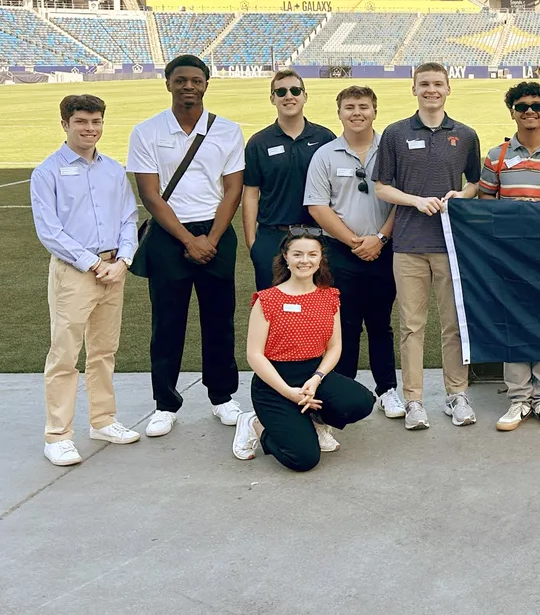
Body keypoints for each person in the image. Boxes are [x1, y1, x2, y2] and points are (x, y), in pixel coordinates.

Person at [127, 55, 246, 438]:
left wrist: (210, 238)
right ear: (168, 84)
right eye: (180, 80)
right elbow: (150, 194)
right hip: (169, 234)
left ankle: (223, 397)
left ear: (207, 84)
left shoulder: (227, 130)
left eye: (196, 80)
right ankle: (165, 403)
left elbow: (233, 190)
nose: (188, 87)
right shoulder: (146, 131)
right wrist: (187, 239)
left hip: (215, 233)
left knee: (219, 320)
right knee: (167, 322)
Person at [31, 95, 140, 466]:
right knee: (65, 354)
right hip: (75, 272)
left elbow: (128, 217)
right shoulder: (47, 172)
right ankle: (58, 435)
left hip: (114, 268)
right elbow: (50, 230)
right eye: (81, 121)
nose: (90, 128)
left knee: (104, 351)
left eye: (96, 121)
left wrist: (124, 259)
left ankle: (103, 420)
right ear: (65, 124)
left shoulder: (112, 169)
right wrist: (94, 263)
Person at [374, 63, 481, 430]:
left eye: (437, 84)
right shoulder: (395, 133)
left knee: (453, 325)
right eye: (424, 84)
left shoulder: (465, 135)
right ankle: (414, 399)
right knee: (411, 326)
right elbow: (381, 187)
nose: (431, 90)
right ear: (414, 89)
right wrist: (415, 200)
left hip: (450, 245)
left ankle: (457, 394)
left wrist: (460, 194)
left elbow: (475, 184)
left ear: (449, 89)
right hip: (408, 244)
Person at [233, 231, 376, 470]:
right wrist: (289, 392)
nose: (305, 261)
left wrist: (317, 379)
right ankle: (255, 424)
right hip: (275, 384)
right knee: (303, 459)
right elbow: (254, 355)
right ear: (285, 258)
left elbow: (335, 346)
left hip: (312, 377)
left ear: (321, 259)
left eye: (312, 254)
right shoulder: (267, 299)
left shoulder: (330, 296)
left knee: (361, 402)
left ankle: (314, 418)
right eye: (297, 254)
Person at [478, 80, 540, 432]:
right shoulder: (496, 156)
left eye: (537, 105)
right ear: (512, 112)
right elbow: (486, 200)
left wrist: (538, 215)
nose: (530, 111)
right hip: (510, 255)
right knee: (513, 321)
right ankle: (519, 398)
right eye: (522, 107)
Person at [303, 85, 405, 421]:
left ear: (375, 111)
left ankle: (387, 389)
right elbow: (318, 206)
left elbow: (401, 201)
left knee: (380, 324)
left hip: (384, 250)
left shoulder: (390, 151)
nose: (356, 113)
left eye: (363, 106)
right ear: (339, 112)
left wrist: (378, 238)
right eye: (350, 107)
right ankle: (343, 389)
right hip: (341, 254)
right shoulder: (325, 154)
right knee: (343, 325)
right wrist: (354, 242)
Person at [242, 69, 335, 291]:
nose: (288, 96)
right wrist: (252, 242)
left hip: (316, 234)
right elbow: (251, 192)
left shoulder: (324, 138)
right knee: (271, 305)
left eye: (295, 90)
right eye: (281, 92)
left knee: (314, 306)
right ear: (272, 98)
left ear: (305, 96)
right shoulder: (258, 142)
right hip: (273, 236)